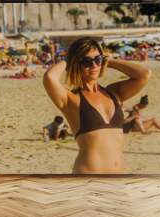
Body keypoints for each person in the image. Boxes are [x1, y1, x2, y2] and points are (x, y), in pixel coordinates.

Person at [43, 37, 151, 174]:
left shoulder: (114, 93)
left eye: (97, 60)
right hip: (88, 181)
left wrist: (108, 61)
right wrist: (70, 60)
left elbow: (144, 75)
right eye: (86, 61)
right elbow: (50, 77)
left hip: (119, 180)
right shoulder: (71, 99)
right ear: (77, 64)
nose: (94, 65)